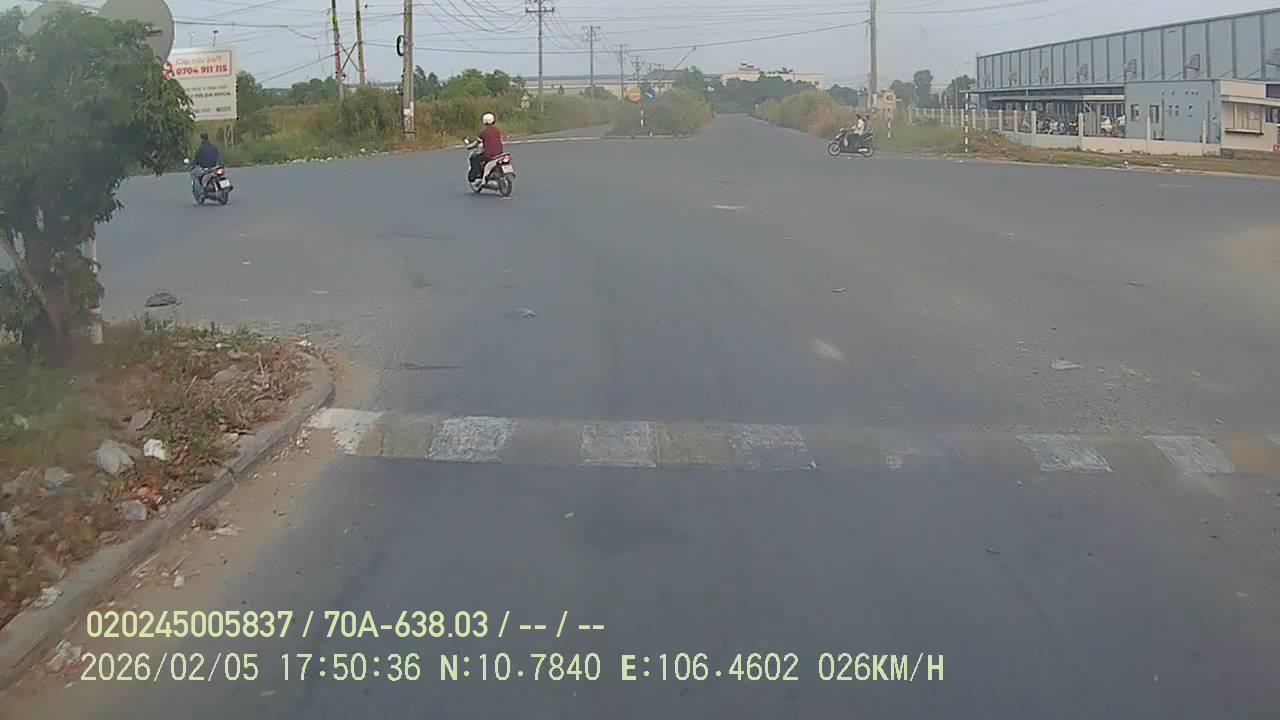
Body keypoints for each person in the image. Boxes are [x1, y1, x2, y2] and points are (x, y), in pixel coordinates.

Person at [469, 112, 504, 183]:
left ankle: (476, 175)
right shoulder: (497, 130)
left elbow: (476, 143)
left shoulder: (484, 132)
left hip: (489, 155)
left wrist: (469, 146)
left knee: (474, 158)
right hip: (500, 154)